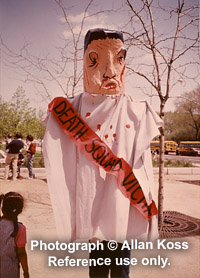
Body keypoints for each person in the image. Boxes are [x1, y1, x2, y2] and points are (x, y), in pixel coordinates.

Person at [43, 28, 163, 277]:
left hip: (123, 210)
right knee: (97, 272)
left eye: (118, 59)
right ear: (85, 63)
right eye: (96, 60)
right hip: (92, 213)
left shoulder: (138, 111)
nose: (109, 72)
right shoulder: (70, 110)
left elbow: (145, 169)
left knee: (120, 271)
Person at [0, 192, 30, 278]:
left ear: (3, 208)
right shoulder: (20, 228)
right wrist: (26, 272)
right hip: (10, 270)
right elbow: (21, 253)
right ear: (20, 210)